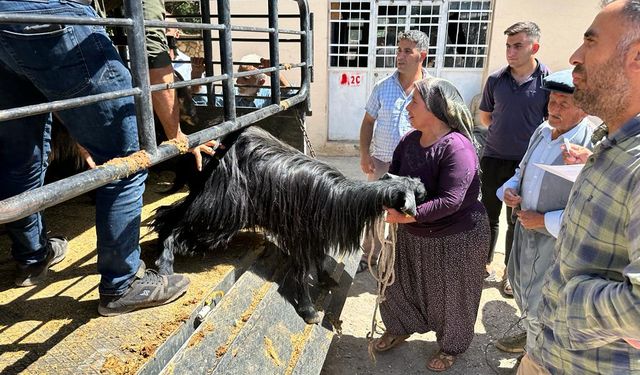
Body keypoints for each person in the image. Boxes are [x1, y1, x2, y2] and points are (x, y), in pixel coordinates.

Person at [0, 0, 208, 316]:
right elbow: (151, 47)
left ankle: (31, 259)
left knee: (21, 155)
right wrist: (178, 135)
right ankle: (122, 285)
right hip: (53, 20)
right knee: (128, 158)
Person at [518, 1, 640, 373]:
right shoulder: (611, 142)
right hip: (546, 354)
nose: (574, 56)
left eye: (590, 42)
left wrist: (565, 299)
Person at [371, 78, 489, 372]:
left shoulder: (457, 147)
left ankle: (451, 347)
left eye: (414, 102)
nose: (407, 107)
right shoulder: (409, 141)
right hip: (413, 232)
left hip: (456, 237)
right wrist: (385, 200)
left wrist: (408, 216)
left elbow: (451, 200)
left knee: (452, 295)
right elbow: (394, 179)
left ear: (436, 108)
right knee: (400, 284)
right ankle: (400, 326)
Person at [493, 70, 593, 355]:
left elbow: (590, 209)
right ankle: (530, 334)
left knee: (546, 300)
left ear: (584, 108)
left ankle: (537, 359)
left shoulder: (591, 146)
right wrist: (510, 191)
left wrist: (544, 220)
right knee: (520, 283)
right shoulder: (541, 130)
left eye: (564, 104)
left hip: (557, 241)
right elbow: (521, 172)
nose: (554, 109)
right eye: (552, 101)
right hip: (526, 231)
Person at [478, 21, 551, 296]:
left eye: (518, 45)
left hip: (525, 164)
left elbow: (550, 120)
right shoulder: (496, 80)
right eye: (508, 46)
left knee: (516, 220)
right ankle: (482, 264)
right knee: (487, 215)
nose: (511, 51)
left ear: (535, 47)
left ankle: (510, 271)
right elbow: (486, 117)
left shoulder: (547, 80)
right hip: (494, 158)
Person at [357, 29, 431, 273]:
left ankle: (400, 262)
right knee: (374, 213)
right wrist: (365, 155)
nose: (400, 56)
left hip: (414, 169)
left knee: (407, 215)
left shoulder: (431, 90)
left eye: (407, 51)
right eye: (398, 50)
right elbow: (368, 122)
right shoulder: (382, 87)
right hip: (381, 162)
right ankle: (369, 256)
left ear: (423, 55)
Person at [215, 54, 292, 108]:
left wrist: (276, 74)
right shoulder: (230, 94)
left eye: (245, 78)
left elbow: (292, 97)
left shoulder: (268, 96)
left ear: (261, 82)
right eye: (238, 75)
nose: (238, 82)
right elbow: (210, 107)